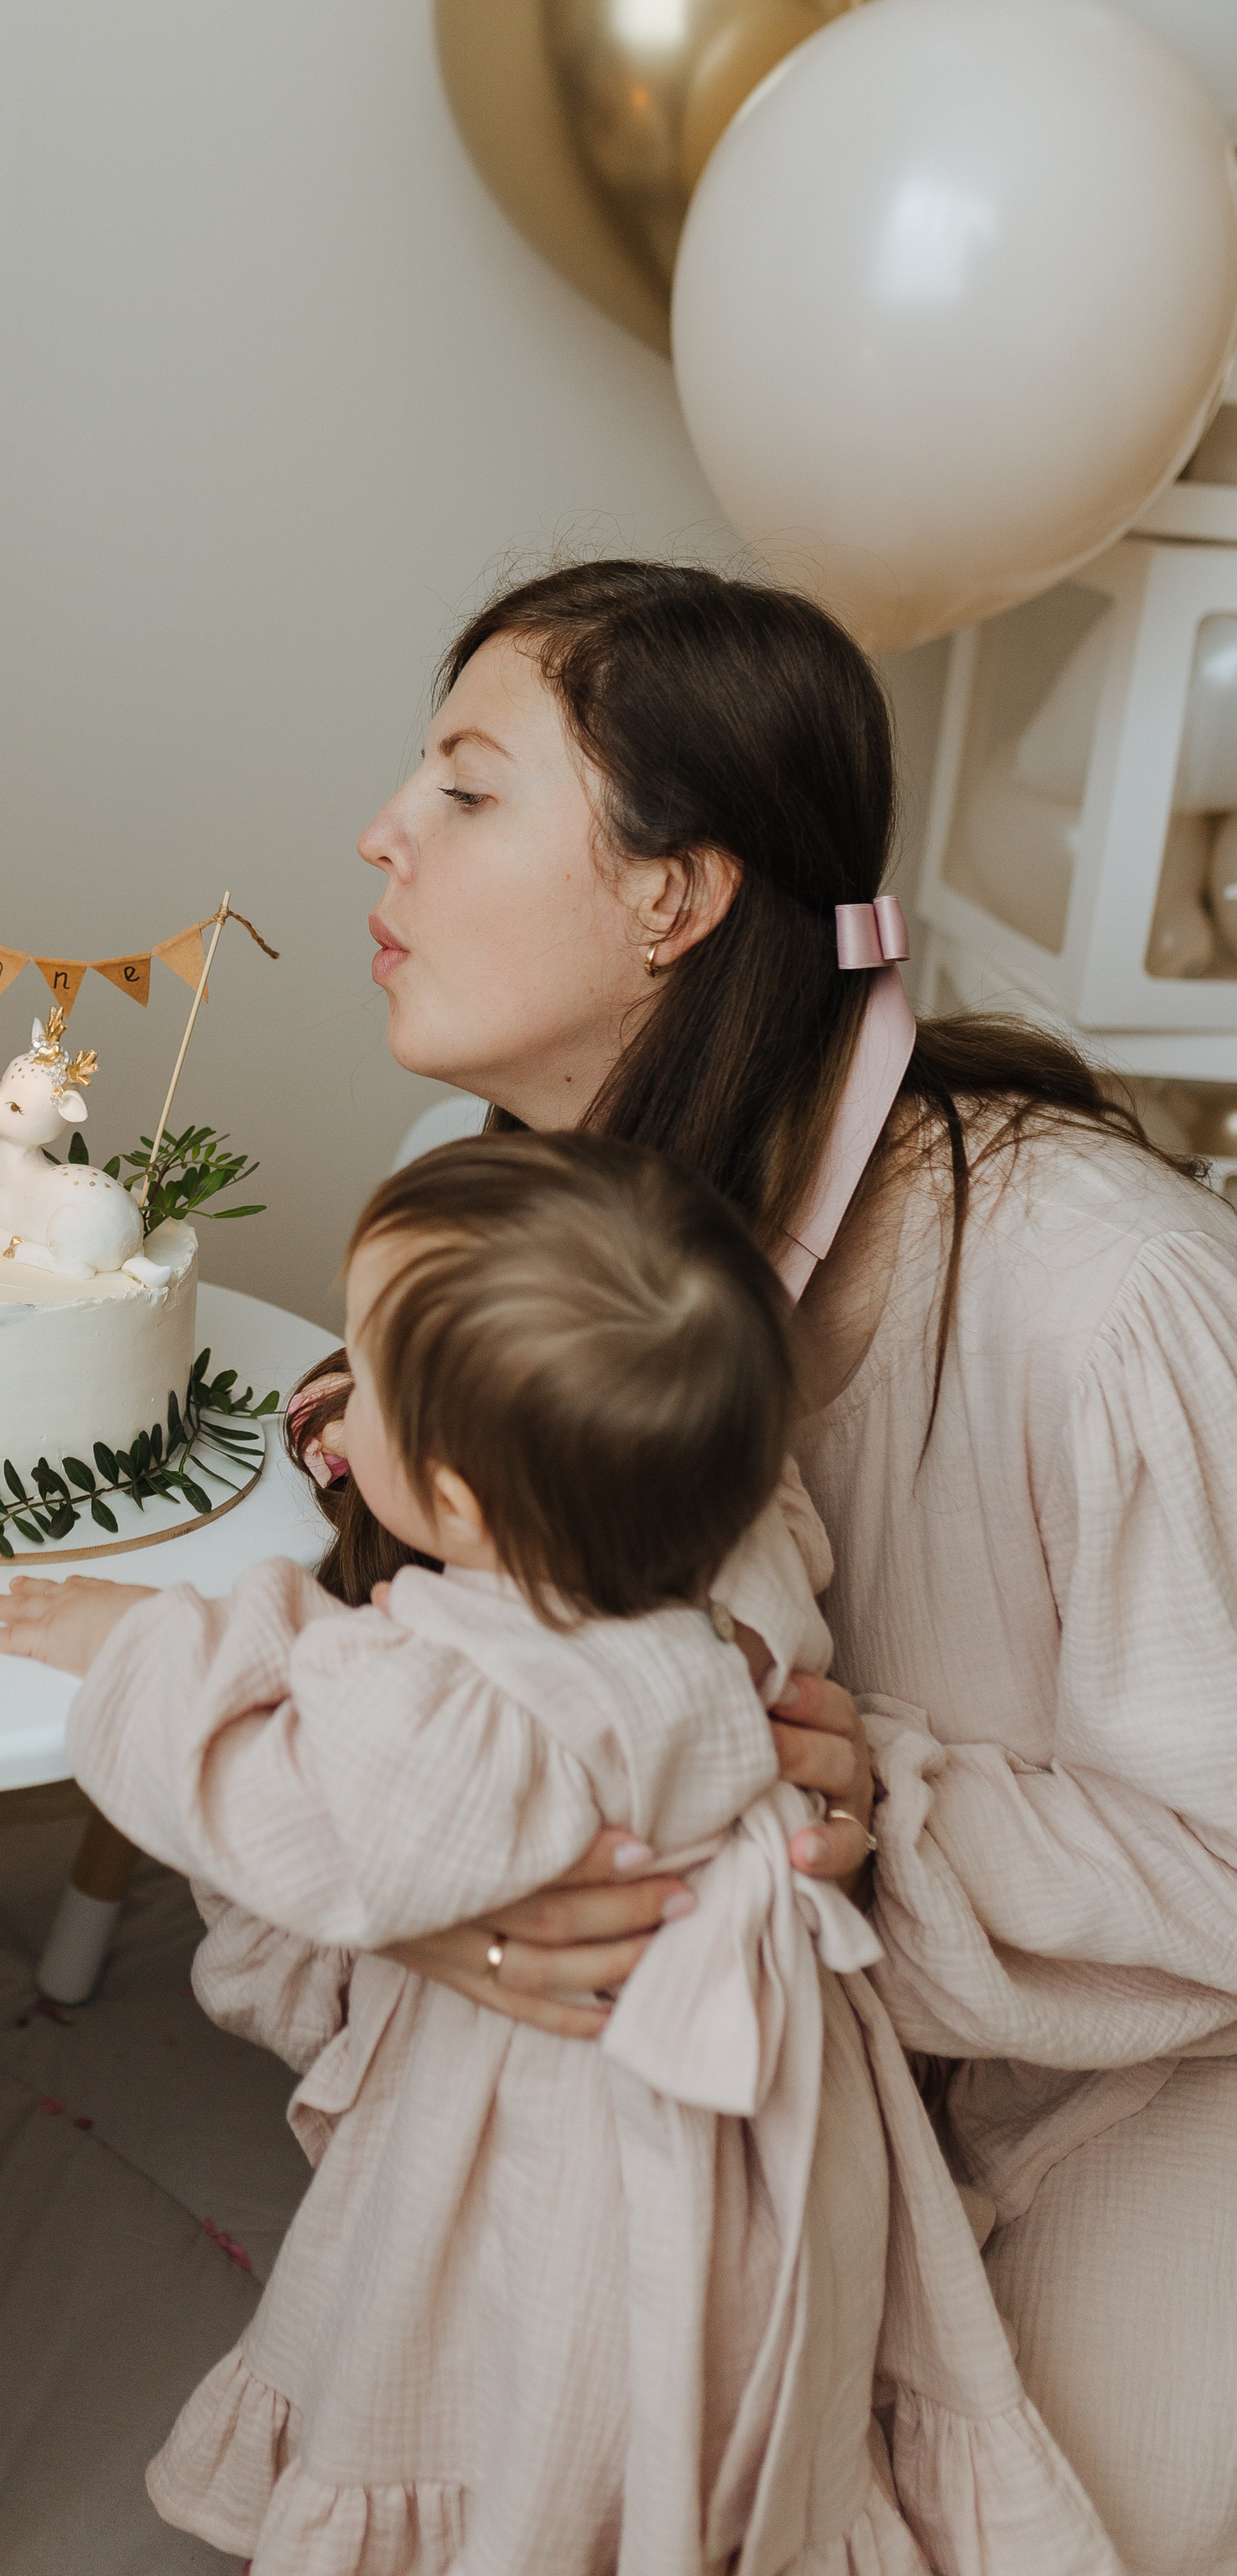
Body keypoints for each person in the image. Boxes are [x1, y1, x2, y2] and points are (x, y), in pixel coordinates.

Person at [286, 558, 1237, 2575]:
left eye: (465, 787)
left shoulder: (1099, 1300)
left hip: (1147, 2067)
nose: (379, 828)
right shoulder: (475, 1220)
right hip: (772, 2035)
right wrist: (477, 1906)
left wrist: (884, 1809)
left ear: (673, 895)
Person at [0, 1132, 1119, 2575]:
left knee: (522, 2413)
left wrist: (130, 1646)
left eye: (366, 1377)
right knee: (703, 2425)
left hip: (580, 2141)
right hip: (759, 2132)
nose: (342, 1395)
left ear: (451, 1498)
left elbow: (277, 1800)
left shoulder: (469, 1710)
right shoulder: (714, 1610)